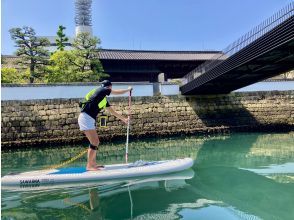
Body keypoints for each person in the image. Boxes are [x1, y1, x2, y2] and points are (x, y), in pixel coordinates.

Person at [78, 80, 132, 171]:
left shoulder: (102, 99)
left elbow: (112, 112)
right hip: (86, 118)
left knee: (96, 142)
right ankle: (89, 166)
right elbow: (116, 92)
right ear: (109, 87)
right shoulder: (102, 90)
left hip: (88, 119)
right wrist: (128, 90)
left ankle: (93, 164)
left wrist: (124, 119)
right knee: (94, 142)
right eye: (110, 88)